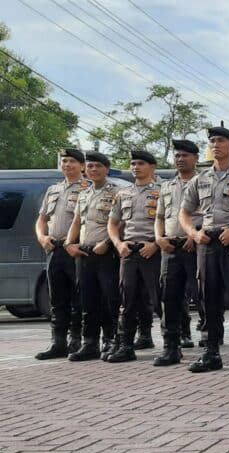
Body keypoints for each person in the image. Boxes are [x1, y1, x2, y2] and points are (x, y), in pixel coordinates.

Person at [179, 127, 229, 372]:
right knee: (208, 297)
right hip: (207, 243)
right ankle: (211, 352)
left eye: (220, 140)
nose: (215, 145)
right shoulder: (201, 178)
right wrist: (193, 233)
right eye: (212, 141)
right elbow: (184, 213)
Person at [105, 150, 162, 363]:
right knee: (127, 301)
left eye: (141, 163)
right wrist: (118, 244)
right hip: (129, 252)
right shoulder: (123, 194)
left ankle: (171, 345)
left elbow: (168, 221)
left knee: (159, 299)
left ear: (152, 167)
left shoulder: (162, 191)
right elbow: (113, 223)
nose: (136, 167)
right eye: (133, 163)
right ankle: (125, 346)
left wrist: (156, 244)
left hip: (152, 252)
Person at [34, 148, 90, 360]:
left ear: (82, 166)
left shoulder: (88, 188)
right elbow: (41, 219)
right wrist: (42, 237)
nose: (67, 165)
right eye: (64, 161)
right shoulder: (53, 189)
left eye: (72, 161)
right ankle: (58, 342)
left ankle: (76, 341)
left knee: (78, 298)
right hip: (54, 249)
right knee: (56, 298)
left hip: (76, 250)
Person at [65, 151, 119, 361]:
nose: (93, 170)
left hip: (105, 252)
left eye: (98, 166)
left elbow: (120, 223)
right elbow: (77, 221)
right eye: (90, 166)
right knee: (87, 299)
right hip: (84, 252)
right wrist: (69, 243)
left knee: (109, 297)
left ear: (107, 168)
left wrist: (107, 243)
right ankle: (90, 343)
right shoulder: (84, 193)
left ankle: (111, 340)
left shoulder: (117, 191)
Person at [153, 139, 202, 366]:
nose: (180, 159)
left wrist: (195, 235)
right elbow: (160, 217)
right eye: (177, 156)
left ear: (196, 158)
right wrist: (158, 238)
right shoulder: (166, 186)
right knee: (169, 298)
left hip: (196, 245)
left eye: (185, 155)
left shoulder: (204, 181)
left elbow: (211, 213)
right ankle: (170, 347)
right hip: (170, 248)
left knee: (202, 295)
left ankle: (210, 343)